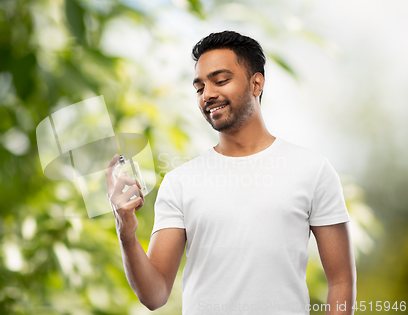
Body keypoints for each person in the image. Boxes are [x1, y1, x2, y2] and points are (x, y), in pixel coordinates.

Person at [105, 31, 356, 315]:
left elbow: (341, 282)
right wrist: (126, 232)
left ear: (256, 83)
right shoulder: (180, 183)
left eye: (221, 80)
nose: (208, 94)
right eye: (199, 88)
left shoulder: (312, 170)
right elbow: (155, 295)